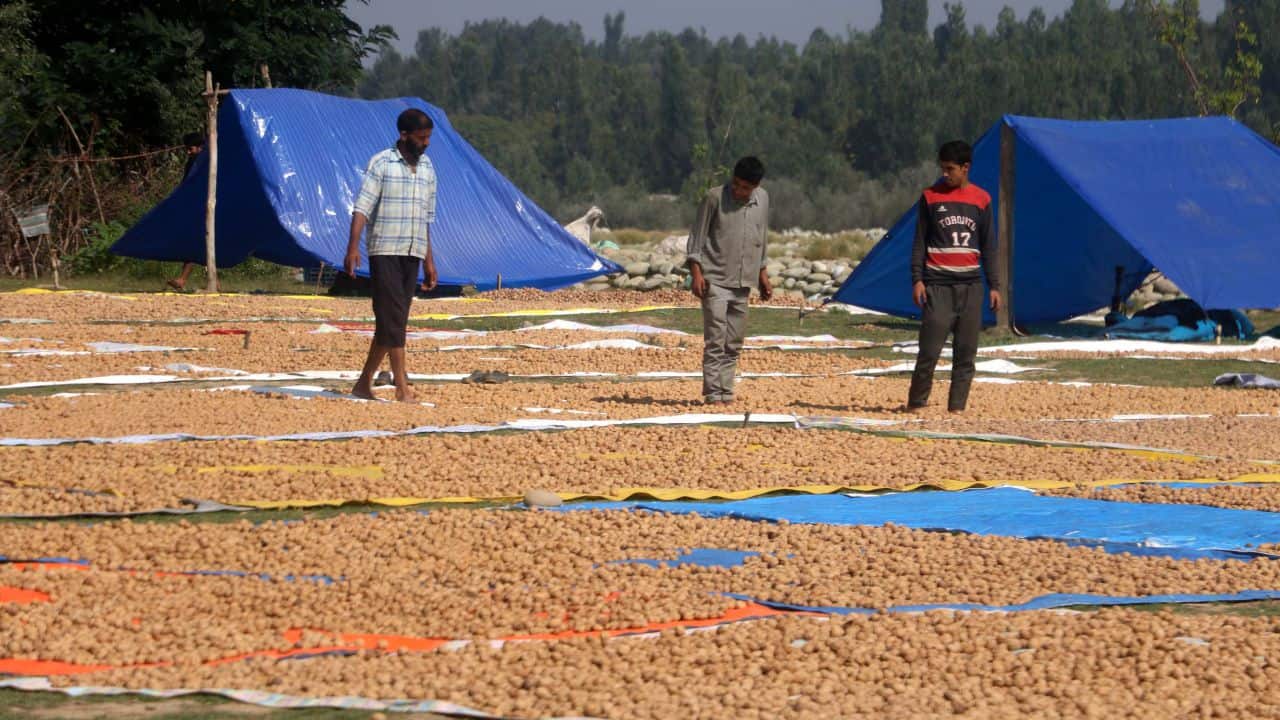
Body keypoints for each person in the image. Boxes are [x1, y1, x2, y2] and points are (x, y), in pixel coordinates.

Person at [344, 108, 439, 402]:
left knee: (391, 321)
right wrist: (352, 247)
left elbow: (426, 218)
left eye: (428, 139)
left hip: (412, 251)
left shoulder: (427, 169)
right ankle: (401, 388)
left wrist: (429, 260)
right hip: (385, 250)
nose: (425, 144)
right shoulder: (382, 163)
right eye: (421, 138)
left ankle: (362, 384)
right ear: (404, 135)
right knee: (394, 319)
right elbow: (362, 208)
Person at [906, 140, 1002, 413]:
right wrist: (917, 279)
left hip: (971, 286)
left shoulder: (982, 200)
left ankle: (956, 410)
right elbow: (919, 242)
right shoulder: (930, 197)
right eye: (942, 169)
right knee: (929, 351)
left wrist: (994, 285)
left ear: (965, 168)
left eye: (950, 169)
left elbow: (989, 246)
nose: (945, 174)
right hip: (937, 286)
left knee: (966, 353)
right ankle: (916, 405)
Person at [686, 156, 772, 405]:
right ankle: (713, 394)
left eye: (745, 187)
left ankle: (726, 391)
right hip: (715, 280)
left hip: (744, 283)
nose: (738, 191)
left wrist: (762, 274)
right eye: (735, 184)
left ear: (755, 187)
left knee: (733, 341)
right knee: (715, 339)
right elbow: (696, 239)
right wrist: (696, 274)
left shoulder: (763, 200)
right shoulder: (714, 198)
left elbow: (761, 237)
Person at [166, 133, 215, 292]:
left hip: (205, 207)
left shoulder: (204, 160)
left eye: (190, 148)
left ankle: (183, 279)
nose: (188, 152)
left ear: (200, 147)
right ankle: (213, 280)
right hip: (197, 206)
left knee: (197, 243)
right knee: (202, 244)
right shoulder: (195, 161)